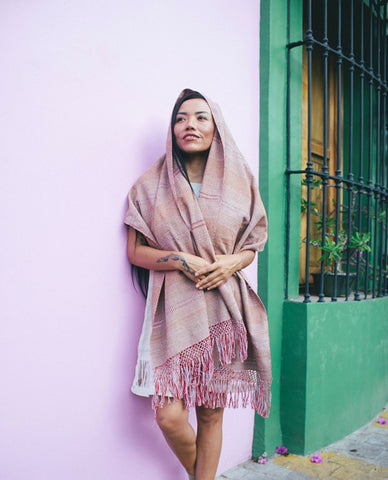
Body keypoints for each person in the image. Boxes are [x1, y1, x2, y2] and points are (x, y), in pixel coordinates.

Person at [125, 89, 272, 480]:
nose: (189, 124)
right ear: (172, 129)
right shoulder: (150, 185)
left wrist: (231, 263)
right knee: (169, 416)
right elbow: (136, 252)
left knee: (210, 411)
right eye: (181, 118)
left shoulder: (240, 179)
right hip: (174, 309)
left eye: (201, 117)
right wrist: (180, 260)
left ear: (216, 126)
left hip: (224, 310)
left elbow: (254, 242)